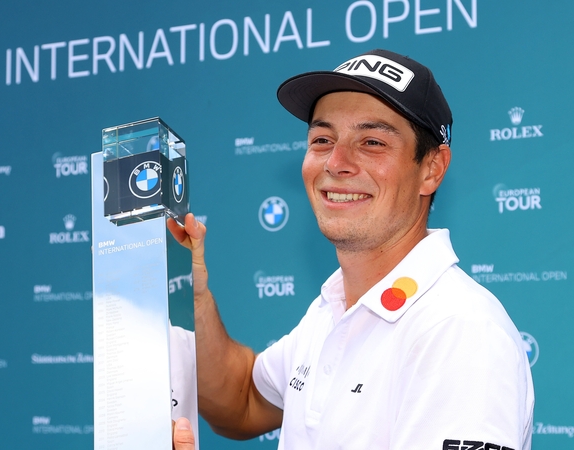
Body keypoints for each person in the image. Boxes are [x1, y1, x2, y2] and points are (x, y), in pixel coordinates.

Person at [168, 49, 534, 449]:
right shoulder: (333, 310)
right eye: (322, 139)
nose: (336, 162)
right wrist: (195, 298)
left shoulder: (459, 330)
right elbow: (241, 401)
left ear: (431, 168)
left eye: (372, 141)